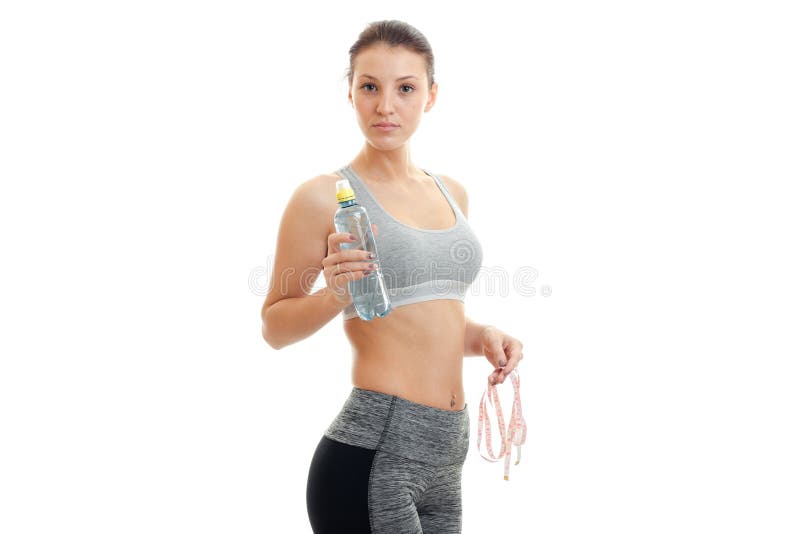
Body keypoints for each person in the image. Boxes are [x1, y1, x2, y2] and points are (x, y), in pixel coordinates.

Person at [260, 19, 525, 534]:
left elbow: (428, 320)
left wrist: (483, 337)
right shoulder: (322, 196)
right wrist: (335, 294)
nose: (386, 106)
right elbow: (274, 327)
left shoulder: (451, 192)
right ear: (351, 92)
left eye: (405, 88)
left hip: (447, 455)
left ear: (430, 95)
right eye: (370, 87)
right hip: (375, 451)